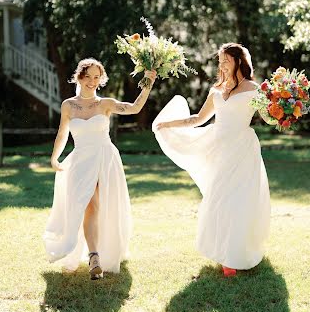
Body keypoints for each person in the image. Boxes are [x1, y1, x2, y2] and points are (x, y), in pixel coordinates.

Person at [153, 43, 270, 276]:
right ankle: (225, 251)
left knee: (240, 200)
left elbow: (268, 118)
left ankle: (235, 255)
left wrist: (284, 111)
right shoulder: (216, 90)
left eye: (226, 60)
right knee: (220, 199)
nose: (222, 64)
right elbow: (197, 119)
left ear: (239, 61)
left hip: (243, 149)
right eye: (220, 61)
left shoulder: (254, 88)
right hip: (220, 149)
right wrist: (167, 124)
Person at [44, 57, 156, 279]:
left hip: (104, 158)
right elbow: (62, 133)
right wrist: (55, 157)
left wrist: (148, 82)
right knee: (85, 205)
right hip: (80, 162)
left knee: (96, 205)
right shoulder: (68, 105)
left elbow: (134, 108)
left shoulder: (105, 103)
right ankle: (92, 255)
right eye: (89, 76)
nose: (92, 81)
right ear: (80, 77)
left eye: (97, 77)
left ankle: (95, 255)